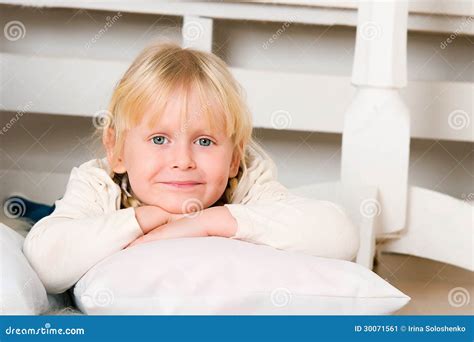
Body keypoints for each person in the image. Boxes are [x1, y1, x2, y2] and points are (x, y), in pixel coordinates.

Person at [23, 43, 359, 295]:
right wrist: (144, 218)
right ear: (117, 150)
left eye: (205, 142)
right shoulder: (100, 183)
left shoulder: (246, 182)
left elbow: (340, 236)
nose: (182, 160)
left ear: (233, 158)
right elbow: (46, 263)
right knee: (37, 216)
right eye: (158, 139)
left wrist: (207, 222)